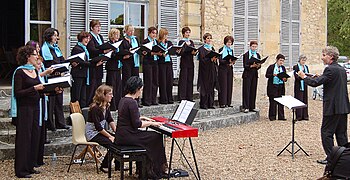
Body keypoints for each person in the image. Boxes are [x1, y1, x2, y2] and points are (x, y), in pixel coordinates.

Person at [298, 46, 350, 164]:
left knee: (326, 133)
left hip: (332, 107)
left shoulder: (330, 69)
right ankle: (345, 158)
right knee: (341, 134)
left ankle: (331, 159)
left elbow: (315, 83)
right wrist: (319, 77)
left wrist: (304, 77)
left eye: (324, 55)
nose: (322, 57)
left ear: (331, 56)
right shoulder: (340, 69)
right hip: (343, 106)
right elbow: (329, 81)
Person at [115, 76, 167, 179]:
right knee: (156, 137)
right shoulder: (132, 102)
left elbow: (129, 117)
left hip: (121, 134)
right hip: (128, 136)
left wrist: (144, 118)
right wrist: (152, 124)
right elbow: (137, 124)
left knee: (152, 137)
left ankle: (146, 168)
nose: (141, 92)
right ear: (137, 89)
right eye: (141, 89)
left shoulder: (123, 99)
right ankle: (155, 170)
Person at [11, 45, 44, 178]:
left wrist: (52, 91)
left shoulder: (34, 71)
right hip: (24, 109)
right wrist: (34, 89)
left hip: (36, 107)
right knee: (24, 139)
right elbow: (17, 93)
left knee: (34, 137)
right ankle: (21, 170)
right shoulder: (19, 72)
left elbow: (40, 90)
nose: (37, 57)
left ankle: (30, 166)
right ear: (27, 57)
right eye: (35, 54)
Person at [27, 40, 54, 167]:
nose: (38, 50)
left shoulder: (39, 60)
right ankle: (33, 160)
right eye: (36, 48)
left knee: (42, 126)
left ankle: (39, 158)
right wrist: (46, 72)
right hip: (35, 100)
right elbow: (38, 76)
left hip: (43, 97)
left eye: (38, 48)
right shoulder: (27, 68)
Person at [41, 28, 68, 130]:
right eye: (55, 35)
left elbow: (61, 60)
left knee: (59, 100)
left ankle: (60, 122)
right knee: (51, 101)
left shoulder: (56, 48)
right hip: (50, 77)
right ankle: (50, 124)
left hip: (59, 76)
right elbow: (47, 63)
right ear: (49, 36)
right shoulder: (44, 48)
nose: (57, 38)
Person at [85, 85, 117, 173]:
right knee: (112, 144)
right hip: (93, 133)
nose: (112, 96)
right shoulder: (95, 108)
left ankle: (118, 165)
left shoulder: (106, 106)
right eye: (110, 94)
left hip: (100, 131)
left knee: (119, 139)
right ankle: (104, 165)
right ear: (103, 95)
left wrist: (116, 131)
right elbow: (98, 127)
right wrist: (110, 136)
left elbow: (110, 119)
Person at [87, 19, 111, 105]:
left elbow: (102, 46)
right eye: (97, 27)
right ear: (92, 28)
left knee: (99, 83)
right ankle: (92, 103)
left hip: (100, 62)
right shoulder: (90, 37)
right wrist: (103, 51)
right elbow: (92, 50)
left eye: (99, 26)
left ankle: (98, 101)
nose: (99, 28)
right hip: (94, 63)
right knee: (93, 85)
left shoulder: (100, 37)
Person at [70, 31, 92, 108]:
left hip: (83, 74)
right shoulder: (77, 48)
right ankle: (75, 114)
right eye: (86, 38)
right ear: (81, 39)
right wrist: (91, 63)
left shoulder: (84, 49)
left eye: (89, 38)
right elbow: (79, 61)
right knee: (76, 95)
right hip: (78, 75)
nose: (87, 40)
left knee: (83, 96)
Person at [197, 33, 218, 109]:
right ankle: (204, 104)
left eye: (210, 38)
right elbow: (202, 60)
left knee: (211, 86)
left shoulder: (212, 48)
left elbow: (215, 59)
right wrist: (210, 60)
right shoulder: (201, 49)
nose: (209, 40)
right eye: (208, 38)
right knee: (204, 87)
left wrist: (214, 60)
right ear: (204, 39)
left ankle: (210, 103)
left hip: (211, 70)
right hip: (204, 71)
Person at [141, 27, 162, 106]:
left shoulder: (156, 41)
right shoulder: (145, 41)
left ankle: (153, 99)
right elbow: (145, 52)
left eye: (155, 33)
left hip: (155, 62)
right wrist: (154, 53)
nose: (154, 35)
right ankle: (147, 100)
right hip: (148, 62)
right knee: (148, 81)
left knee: (155, 81)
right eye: (153, 33)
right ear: (149, 33)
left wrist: (159, 53)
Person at [105, 29, 123, 111]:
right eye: (116, 35)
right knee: (112, 86)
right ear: (112, 35)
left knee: (118, 86)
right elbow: (110, 56)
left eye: (118, 35)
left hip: (117, 67)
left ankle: (118, 104)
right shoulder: (109, 44)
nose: (118, 37)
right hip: (111, 67)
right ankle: (112, 105)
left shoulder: (118, 44)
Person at [265, 54, 287, 121]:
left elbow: (285, 77)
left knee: (281, 101)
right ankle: (272, 116)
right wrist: (273, 75)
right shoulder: (271, 67)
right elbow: (267, 75)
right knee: (273, 101)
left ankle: (281, 116)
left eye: (283, 61)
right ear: (277, 60)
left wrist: (285, 79)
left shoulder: (283, 68)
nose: (281, 62)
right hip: (273, 86)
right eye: (280, 60)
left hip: (280, 86)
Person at [178, 27, 197, 101]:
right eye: (186, 32)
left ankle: (189, 96)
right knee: (183, 80)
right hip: (184, 62)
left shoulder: (191, 42)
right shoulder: (181, 42)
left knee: (190, 79)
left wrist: (194, 52)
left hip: (190, 62)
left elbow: (194, 51)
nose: (188, 34)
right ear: (183, 33)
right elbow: (180, 52)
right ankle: (182, 97)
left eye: (189, 32)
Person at [120, 24, 141, 91]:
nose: (132, 32)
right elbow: (121, 50)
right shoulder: (122, 40)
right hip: (127, 62)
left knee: (135, 80)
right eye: (130, 31)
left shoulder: (135, 39)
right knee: (127, 80)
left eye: (133, 30)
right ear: (125, 31)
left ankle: (135, 97)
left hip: (135, 61)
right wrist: (127, 52)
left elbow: (139, 48)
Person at [242, 40, 261, 113]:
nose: (254, 48)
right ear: (250, 47)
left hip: (254, 74)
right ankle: (246, 106)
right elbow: (245, 65)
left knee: (253, 90)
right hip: (247, 74)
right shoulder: (246, 55)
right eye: (253, 46)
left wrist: (258, 66)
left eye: (255, 47)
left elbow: (259, 65)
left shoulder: (257, 55)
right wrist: (251, 66)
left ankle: (252, 106)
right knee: (247, 90)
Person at [158, 28, 176, 104]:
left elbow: (172, 51)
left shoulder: (169, 43)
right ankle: (163, 99)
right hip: (162, 63)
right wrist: (161, 54)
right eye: (164, 34)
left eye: (166, 34)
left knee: (169, 81)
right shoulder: (158, 43)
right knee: (163, 81)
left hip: (169, 63)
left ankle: (170, 98)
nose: (166, 36)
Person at [218, 36, 235, 108]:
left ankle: (228, 102)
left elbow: (232, 59)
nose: (229, 44)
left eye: (230, 42)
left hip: (229, 69)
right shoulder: (221, 49)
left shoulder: (231, 50)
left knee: (229, 85)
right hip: (222, 69)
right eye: (228, 42)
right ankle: (222, 102)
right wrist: (228, 61)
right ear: (225, 42)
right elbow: (220, 60)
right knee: (223, 85)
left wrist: (233, 62)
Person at [293, 55, 310, 121]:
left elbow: (307, 74)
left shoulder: (306, 67)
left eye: (304, 60)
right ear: (299, 60)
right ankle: (299, 116)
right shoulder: (296, 67)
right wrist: (302, 76)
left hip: (305, 84)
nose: (303, 62)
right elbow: (296, 76)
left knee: (305, 99)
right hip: (299, 85)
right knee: (298, 99)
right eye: (302, 60)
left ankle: (305, 115)